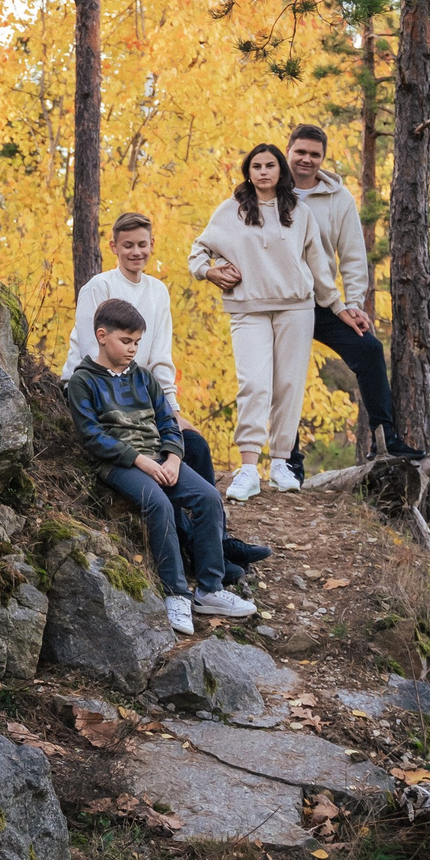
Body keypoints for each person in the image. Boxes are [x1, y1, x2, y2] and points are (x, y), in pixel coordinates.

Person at [65, 297, 256, 635]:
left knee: (209, 496)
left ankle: (210, 589)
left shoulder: (144, 378)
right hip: (118, 463)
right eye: (126, 341)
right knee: (159, 503)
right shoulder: (83, 381)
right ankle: (176, 593)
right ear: (101, 335)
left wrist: (172, 458)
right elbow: (92, 436)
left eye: (137, 342)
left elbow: (168, 422)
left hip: (158, 457)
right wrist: (141, 462)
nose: (132, 349)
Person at [189, 142, 338, 502]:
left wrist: (335, 303)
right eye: (256, 166)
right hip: (247, 307)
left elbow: (318, 263)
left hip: (296, 308)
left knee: (288, 385)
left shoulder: (299, 212)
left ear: (281, 171)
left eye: (270, 165)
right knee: (254, 384)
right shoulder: (230, 212)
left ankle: (282, 463)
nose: (263, 172)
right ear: (248, 172)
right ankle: (248, 468)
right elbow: (199, 250)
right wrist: (209, 272)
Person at [283, 124, 423, 474]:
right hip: (281, 302)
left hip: (324, 302)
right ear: (288, 151)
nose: (307, 159)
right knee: (286, 376)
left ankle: (385, 439)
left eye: (315, 154)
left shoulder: (338, 198)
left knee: (369, 350)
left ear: (323, 159)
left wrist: (354, 305)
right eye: (300, 151)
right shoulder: (270, 189)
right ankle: (290, 462)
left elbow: (354, 257)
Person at [64, 211, 215, 483]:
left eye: (142, 244)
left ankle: (210, 523)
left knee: (194, 445)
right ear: (114, 247)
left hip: (141, 393)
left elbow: (160, 356)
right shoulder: (99, 287)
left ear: (152, 245)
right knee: (156, 448)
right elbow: (92, 353)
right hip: (97, 391)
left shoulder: (158, 292)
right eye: (128, 245)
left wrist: (171, 410)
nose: (136, 252)